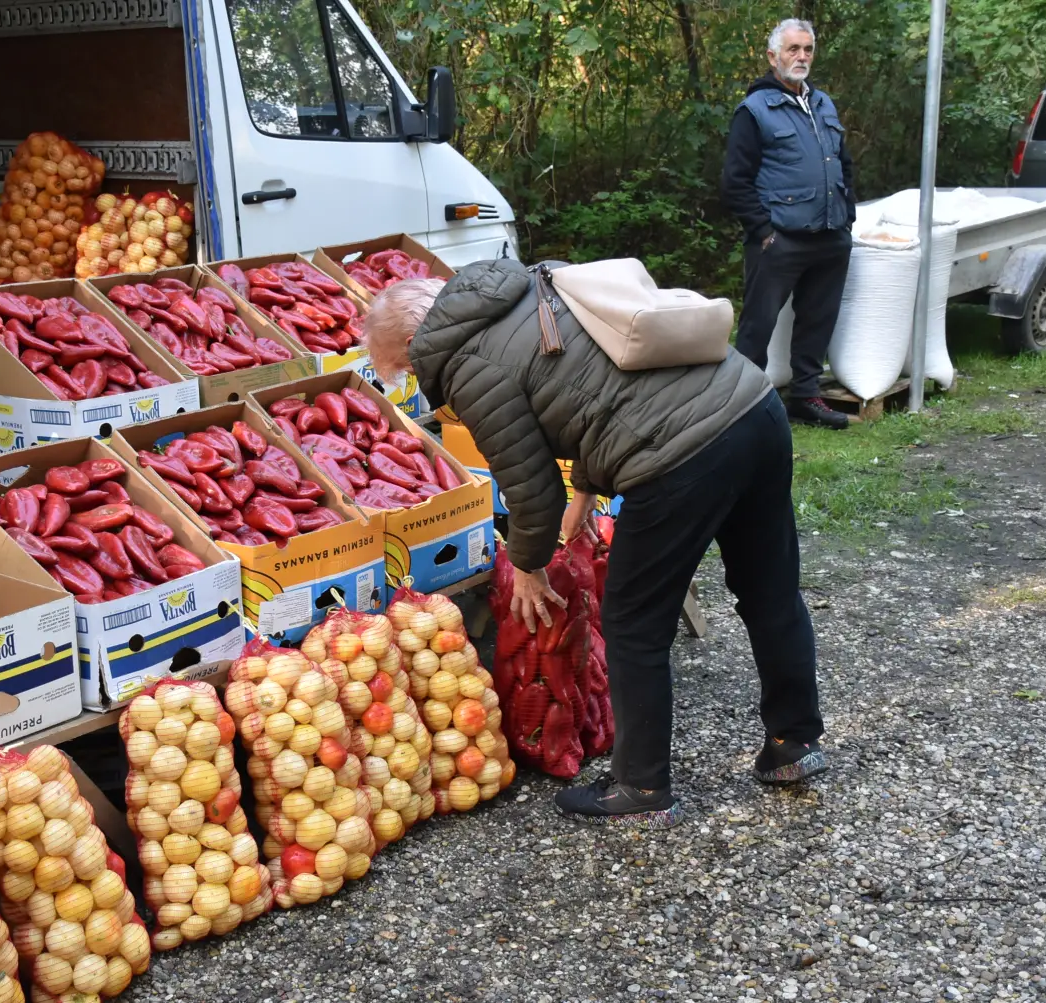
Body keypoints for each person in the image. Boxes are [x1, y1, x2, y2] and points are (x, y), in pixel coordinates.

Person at [362, 262, 828, 828]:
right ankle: (795, 743)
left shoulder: (468, 364)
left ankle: (642, 785)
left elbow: (530, 491)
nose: (416, 373)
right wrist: (585, 488)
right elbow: (604, 391)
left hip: (679, 453)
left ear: (415, 340)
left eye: (407, 364)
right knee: (769, 590)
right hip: (752, 406)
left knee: (634, 620)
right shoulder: (531, 288)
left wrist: (527, 564)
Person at [722, 18, 856, 430]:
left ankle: (806, 397)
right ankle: (739, 407)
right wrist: (764, 232)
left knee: (818, 320)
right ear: (773, 56)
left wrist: (847, 217)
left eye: (807, 49)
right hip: (779, 240)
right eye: (793, 49)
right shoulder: (755, 110)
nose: (801, 57)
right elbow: (735, 181)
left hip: (829, 237)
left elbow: (843, 164)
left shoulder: (823, 103)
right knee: (757, 326)